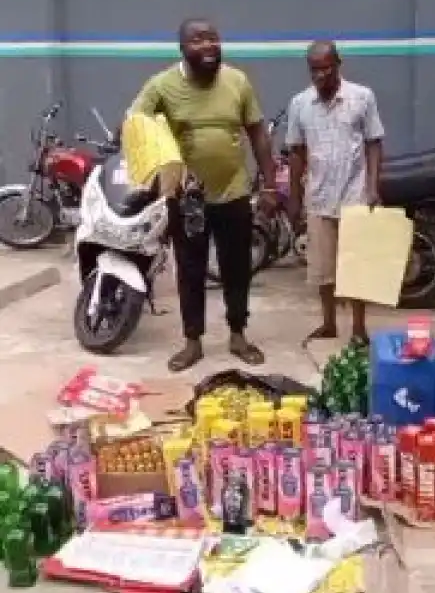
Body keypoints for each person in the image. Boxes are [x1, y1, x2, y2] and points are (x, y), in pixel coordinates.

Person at [128, 18, 277, 371]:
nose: (208, 45)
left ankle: (238, 334)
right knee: (190, 268)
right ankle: (192, 341)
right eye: (198, 40)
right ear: (182, 48)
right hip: (188, 196)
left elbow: (258, 133)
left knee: (236, 267)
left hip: (233, 190)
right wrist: (158, 162)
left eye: (213, 38)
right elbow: (135, 123)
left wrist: (269, 183)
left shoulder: (237, 81)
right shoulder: (162, 85)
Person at [286, 40, 384, 345]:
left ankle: (358, 328)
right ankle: (328, 323)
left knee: (357, 267)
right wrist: (294, 196)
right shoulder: (300, 104)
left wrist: (373, 188)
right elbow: (297, 152)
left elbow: (374, 143)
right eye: (314, 70)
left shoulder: (362, 97)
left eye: (325, 68)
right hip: (319, 197)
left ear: (338, 64)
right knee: (322, 269)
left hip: (355, 194)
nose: (319, 76)